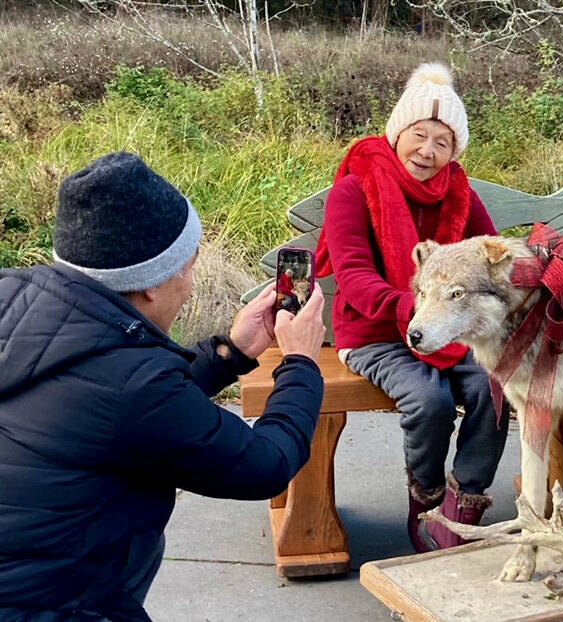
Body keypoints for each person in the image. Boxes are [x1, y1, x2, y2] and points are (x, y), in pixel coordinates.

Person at [0, 152, 326, 621]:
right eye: (188, 268)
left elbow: (106, 399)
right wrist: (300, 362)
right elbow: (265, 465)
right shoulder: (133, 386)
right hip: (58, 606)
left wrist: (229, 353)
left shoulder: (20, 306)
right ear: (151, 283)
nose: (190, 285)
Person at [315, 62, 510, 553]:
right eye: (419, 135)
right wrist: (424, 309)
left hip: (449, 327)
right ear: (399, 131)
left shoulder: (459, 192)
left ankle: (465, 501)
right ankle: (425, 500)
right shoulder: (354, 189)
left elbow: (493, 254)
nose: (428, 150)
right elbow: (356, 280)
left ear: (454, 151)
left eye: (442, 142)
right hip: (374, 332)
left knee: (497, 383)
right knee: (430, 401)